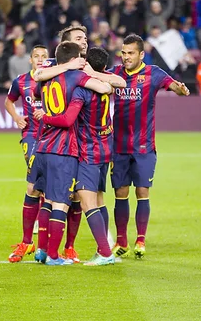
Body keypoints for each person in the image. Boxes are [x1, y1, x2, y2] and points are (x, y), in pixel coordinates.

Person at [32, 27, 126, 262]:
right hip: (79, 146)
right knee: (67, 198)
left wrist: (95, 74)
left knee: (78, 198)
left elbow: (116, 83)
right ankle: (56, 249)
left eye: (85, 37)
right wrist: (73, 68)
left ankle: (91, 247)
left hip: (80, 146)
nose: (84, 41)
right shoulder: (59, 65)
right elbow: (36, 78)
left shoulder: (88, 69)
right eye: (78, 39)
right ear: (67, 44)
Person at [109, 34, 190, 258]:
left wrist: (180, 89)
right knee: (120, 193)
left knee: (142, 191)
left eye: (130, 53)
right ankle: (121, 240)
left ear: (141, 54)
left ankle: (141, 240)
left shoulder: (152, 73)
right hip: (119, 146)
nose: (126, 57)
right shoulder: (115, 73)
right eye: (123, 53)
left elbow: (171, 85)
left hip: (144, 146)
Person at [4, 45, 49, 263]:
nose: (40, 59)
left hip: (52, 135)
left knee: (44, 187)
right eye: (37, 56)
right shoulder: (21, 81)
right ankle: (26, 241)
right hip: (31, 134)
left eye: (44, 57)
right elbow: (8, 101)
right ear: (30, 60)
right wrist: (16, 118)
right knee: (33, 185)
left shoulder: (53, 80)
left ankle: (41, 242)